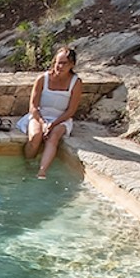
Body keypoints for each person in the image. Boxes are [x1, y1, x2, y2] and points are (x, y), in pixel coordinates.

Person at [16, 46, 81, 179]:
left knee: (54, 137)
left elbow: (71, 111)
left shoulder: (76, 82)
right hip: (39, 115)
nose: (60, 66)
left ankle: (42, 171)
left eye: (64, 63)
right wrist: (43, 123)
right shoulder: (42, 79)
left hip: (61, 118)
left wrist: (53, 124)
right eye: (58, 62)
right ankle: (28, 165)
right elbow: (33, 107)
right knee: (36, 136)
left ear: (72, 65)